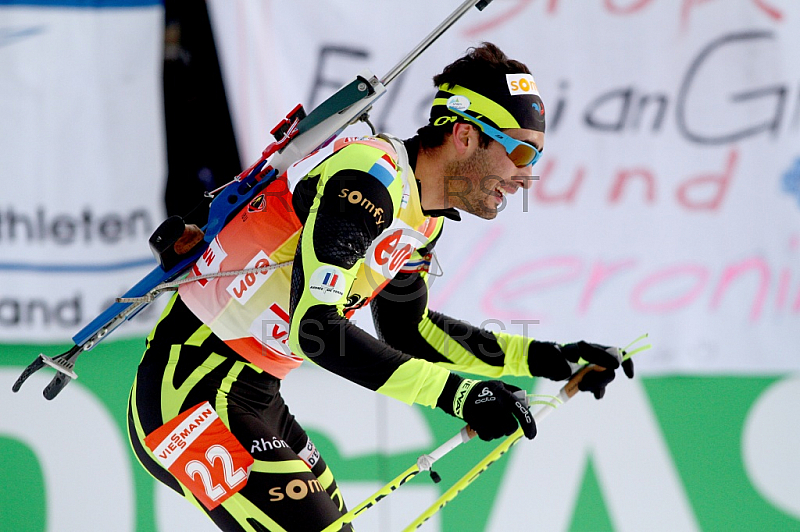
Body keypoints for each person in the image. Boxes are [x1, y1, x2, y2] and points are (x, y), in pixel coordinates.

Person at [128, 42, 634, 532]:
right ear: (463, 135)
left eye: (536, 158)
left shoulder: (423, 217)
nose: (526, 176)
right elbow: (316, 329)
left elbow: (410, 332)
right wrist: (459, 395)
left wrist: (550, 359)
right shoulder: (370, 179)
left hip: (254, 394)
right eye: (520, 151)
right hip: (191, 387)